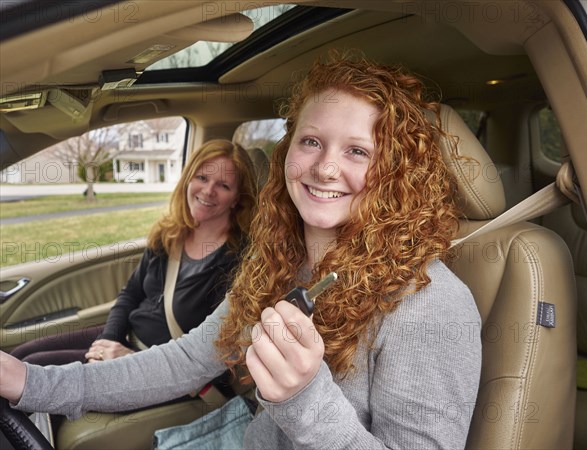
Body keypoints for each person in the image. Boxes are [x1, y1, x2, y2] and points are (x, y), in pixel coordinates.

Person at [1, 52, 482, 449]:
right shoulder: (279, 263)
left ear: (394, 173)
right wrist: (32, 382)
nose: (326, 169)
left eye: (357, 151)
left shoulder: (430, 303)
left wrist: (302, 396)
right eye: (311, 141)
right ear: (287, 151)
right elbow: (186, 361)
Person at [10, 139, 258, 366]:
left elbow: (210, 349)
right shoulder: (170, 233)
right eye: (202, 178)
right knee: (21, 355)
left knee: (29, 369)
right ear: (188, 179)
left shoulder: (239, 260)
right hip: (125, 339)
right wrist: (106, 343)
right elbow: (130, 294)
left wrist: (132, 359)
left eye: (223, 185)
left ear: (237, 198)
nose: (208, 191)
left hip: (158, 367)